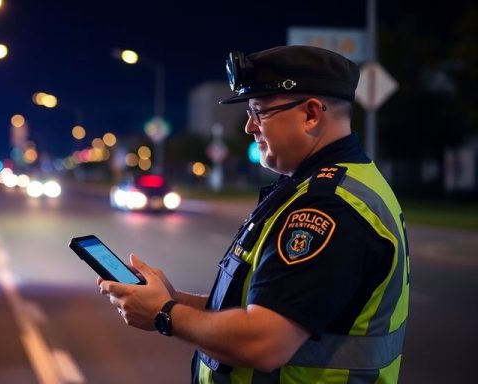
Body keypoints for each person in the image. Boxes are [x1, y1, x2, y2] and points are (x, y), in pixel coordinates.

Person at [98, 45, 410, 383]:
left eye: (259, 111)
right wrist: (172, 298)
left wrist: (165, 313)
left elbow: (265, 342)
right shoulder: (319, 186)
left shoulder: (329, 206)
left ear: (311, 114)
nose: (249, 127)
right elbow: (261, 307)